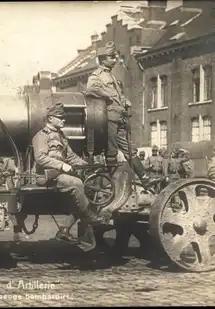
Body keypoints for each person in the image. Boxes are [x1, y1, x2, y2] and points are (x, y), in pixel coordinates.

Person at [85, 41, 160, 192]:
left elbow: (119, 95)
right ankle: (110, 185)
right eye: (111, 57)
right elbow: (91, 89)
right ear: (102, 59)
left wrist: (125, 101)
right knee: (111, 151)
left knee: (130, 150)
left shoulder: (112, 76)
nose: (115, 59)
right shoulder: (97, 75)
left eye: (115, 57)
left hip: (119, 118)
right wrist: (107, 96)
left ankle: (144, 179)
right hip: (108, 119)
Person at [32, 102, 106, 243]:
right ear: (50, 119)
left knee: (88, 187)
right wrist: (62, 166)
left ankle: (64, 229)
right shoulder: (41, 136)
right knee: (76, 183)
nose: (63, 120)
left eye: (63, 117)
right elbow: (40, 158)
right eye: (60, 117)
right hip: (46, 176)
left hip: (59, 175)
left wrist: (88, 166)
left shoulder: (61, 136)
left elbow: (71, 157)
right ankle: (88, 216)